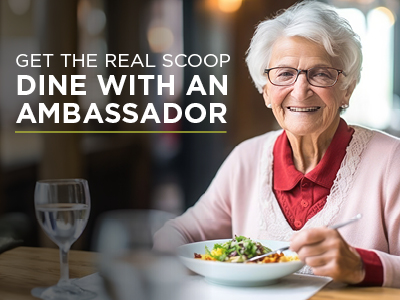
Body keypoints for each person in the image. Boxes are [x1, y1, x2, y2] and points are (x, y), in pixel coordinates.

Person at [153, 0, 400, 288]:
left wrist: (361, 265)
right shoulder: (246, 158)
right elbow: (180, 233)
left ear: (347, 89)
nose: (300, 90)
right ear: (266, 91)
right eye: (284, 74)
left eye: (320, 73)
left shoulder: (391, 161)